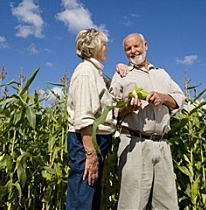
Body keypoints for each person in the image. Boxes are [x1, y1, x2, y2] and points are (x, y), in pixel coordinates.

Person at [110, 33, 185, 210]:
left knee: (167, 204)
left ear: (146, 46)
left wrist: (164, 98)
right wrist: (128, 108)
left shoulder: (163, 74)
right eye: (128, 49)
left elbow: (179, 98)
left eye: (136, 46)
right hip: (135, 144)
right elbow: (111, 111)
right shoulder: (122, 75)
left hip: (162, 145)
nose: (133, 51)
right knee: (132, 204)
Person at [66, 28, 117, 210]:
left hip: (95, 141)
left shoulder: (96, 73)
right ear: (94, 47)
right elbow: (84, 116)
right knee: (82, 199)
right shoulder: (86, 72)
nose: (107, 48)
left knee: (90, 197)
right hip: (87, 141)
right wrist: (90, 154)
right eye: (104, 44)